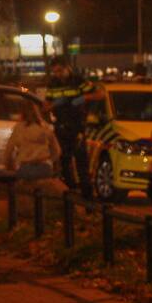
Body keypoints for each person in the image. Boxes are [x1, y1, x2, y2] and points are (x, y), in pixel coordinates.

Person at [44, 56, 95, 200]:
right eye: (55, 72)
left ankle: (88, 202)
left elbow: (99, 94)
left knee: (82, 166)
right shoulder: (53, 84)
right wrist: (55, 104)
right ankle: (71, 197)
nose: (58, 74)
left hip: (77, 128)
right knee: (64, 164)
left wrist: (82, 99)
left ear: (68, 67)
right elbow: (46, 105)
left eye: (60, 71)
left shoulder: (78, 81)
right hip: (61, 127)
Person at [3, 99, 60, 181]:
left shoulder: (19, 128)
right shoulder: (45, 127)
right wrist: (49, 160)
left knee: (24, 192)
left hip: (25, 168)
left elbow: (9, 150)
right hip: (44, 168)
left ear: (22, 113)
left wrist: (9, 165)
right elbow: (57, 150)